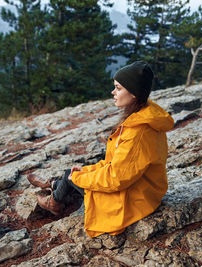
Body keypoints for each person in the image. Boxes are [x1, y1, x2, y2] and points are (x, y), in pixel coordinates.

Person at [27, 61, 174, 238]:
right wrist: (87, 171)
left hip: (135, 198)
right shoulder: (144, 116)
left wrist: (81, 176)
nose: (113, 92)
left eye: (118, 88)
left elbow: (116, 179)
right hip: (142, 187)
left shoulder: (138, 132)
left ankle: (54, 201)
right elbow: (118, 164)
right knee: (77, 173)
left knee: (71, 175)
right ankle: (53, 185)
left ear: (134, 93)